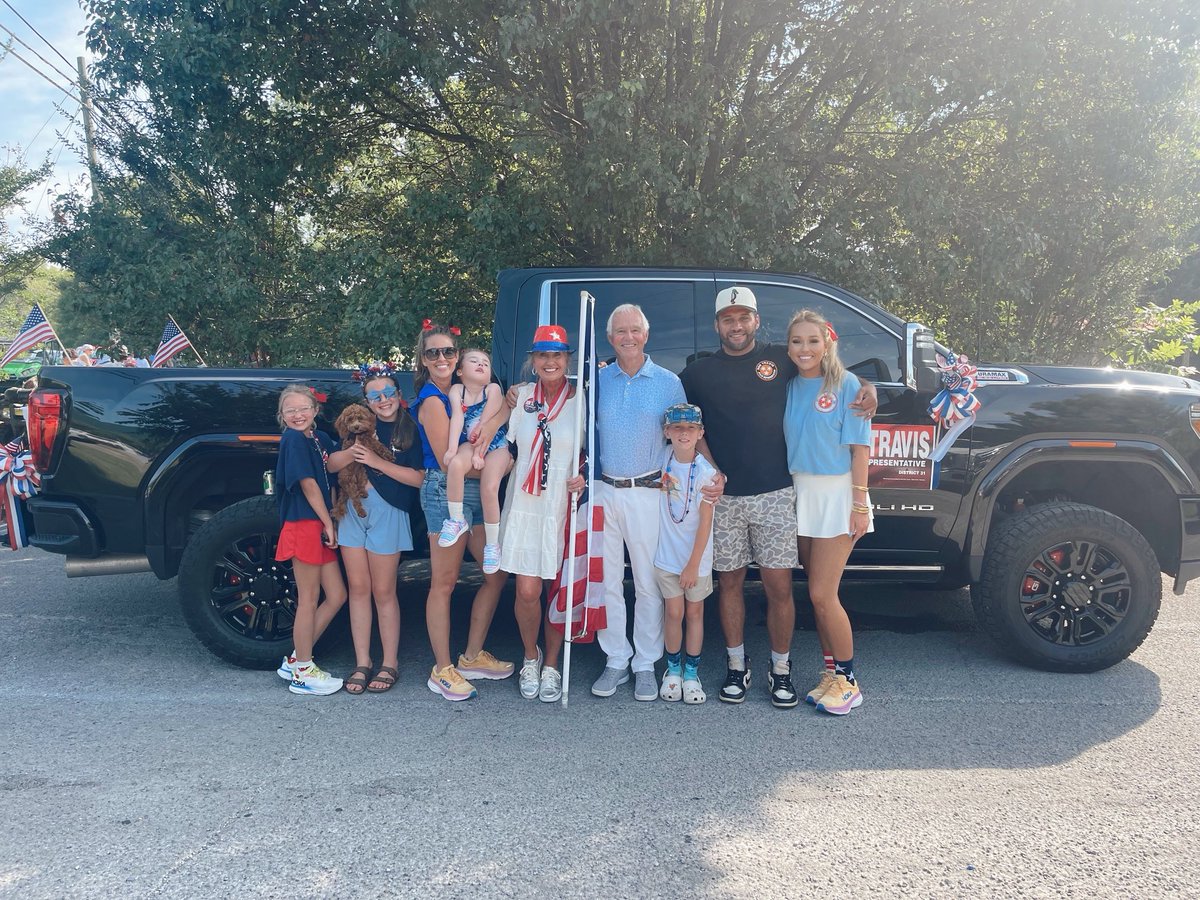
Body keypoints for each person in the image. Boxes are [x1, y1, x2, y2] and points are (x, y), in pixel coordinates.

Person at [680, 286, 876, 708]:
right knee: (731, 584)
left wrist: (869, 386)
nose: (736, 325)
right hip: (731, 498)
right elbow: (684, 421)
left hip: (780, 495)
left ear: (756, 321)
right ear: (717, 325)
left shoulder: (783, 360)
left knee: (786, 587)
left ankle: (783, 670)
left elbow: (827, 369)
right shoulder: (697, 374)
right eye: (728, 318)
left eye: (743, 317)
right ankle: (738, 666)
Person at [588, 304, 690, 703]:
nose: (627, 337)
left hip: (647, 491)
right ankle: (616, 657)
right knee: (607, 581)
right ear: (609, 338)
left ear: (645, 335)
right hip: (604, 490)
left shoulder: (668, 382)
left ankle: (646, 662)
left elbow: (682, 437)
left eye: (634, 330)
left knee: (648, 583)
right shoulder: (598, 380)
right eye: (620, 331)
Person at [412, 322, 514, 701]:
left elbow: (496, 414)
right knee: (444, 583)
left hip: (474, 489)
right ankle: (442, 669)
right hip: (446, 491)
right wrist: (502, 467)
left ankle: (471, 656)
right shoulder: (432, 400)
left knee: (496, 574)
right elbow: (448, 460)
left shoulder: (465, 392)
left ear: (457, 358)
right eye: (433, 352)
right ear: (423, 360)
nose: (441, 358)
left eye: (448, 351)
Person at [488, 324, 585, 702]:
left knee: (557, 591)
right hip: (526, 505)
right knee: (528, 590)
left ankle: (552, 665)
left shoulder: (582, 400)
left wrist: (584, 474)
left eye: (557, 355)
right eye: (543, 355)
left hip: (562, 504)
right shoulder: (522, 397)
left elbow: (590, 451)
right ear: (533, 360)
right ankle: (531, 656)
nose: (550, 361)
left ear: (567, 360)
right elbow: (504, 442)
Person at [784, 310, 872, 715]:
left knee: (823, 593)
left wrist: (859, 504)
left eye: (812, 340)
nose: (804, 349)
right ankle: (832, 674)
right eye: (797, 341)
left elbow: (860, 450)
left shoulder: (847, 385)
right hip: (800, 494)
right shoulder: (788, 386)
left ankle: (849, 682)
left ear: (827, 343)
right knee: (816, 595)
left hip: (837, 495)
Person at [326, 362, 425, 695]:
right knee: (358, 588)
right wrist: (352, 454)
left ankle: (389, 662)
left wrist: (376, 462)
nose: (383, 400)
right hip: (352, 513)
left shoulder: (410, 429)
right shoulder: (357, 428)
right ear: (366, 402)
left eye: (388, 393)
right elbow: (331, 463)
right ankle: (362, 661)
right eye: (375, 396)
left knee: (384, 591)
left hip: (389, 512)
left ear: (398, 393)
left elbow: (419, 478)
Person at [272, 384, 348, 696]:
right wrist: (328, 522)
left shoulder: (319, 439)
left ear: (315, 410)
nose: (298, 414)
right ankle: (303, 671)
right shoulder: (292, 439)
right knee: (308, 599)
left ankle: (295, 659)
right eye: (290, 410)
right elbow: (308, 484)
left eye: (304, 408)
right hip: (304, 523)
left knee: (337, 595)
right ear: (282, 415)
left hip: (318, 524)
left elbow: (331, 475)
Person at [654, 403, 717, 704]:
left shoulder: (706, 473)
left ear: (700, 433)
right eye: (677, 428)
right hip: (667, 557)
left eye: (690, 428)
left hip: (696, 561)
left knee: (694, 613)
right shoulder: (662, 459)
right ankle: (673, 670)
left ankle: (692, 674)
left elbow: (705, 523)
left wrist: (693, 565)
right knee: (673, 613)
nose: (684, 434)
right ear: (667, 432)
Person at [436, 348, 509, 574]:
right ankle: (457, 519)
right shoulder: (457, 391)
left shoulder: (492, 389)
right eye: (474, 361)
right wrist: (451, 449)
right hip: (472, 441)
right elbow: (457, 418)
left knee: (489, 487)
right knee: (456, 464)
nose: (481, 365)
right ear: (460, 371)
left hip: (496, 444)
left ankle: (492, 544)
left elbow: (486, 424)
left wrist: (479, 453)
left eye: (486, 363)